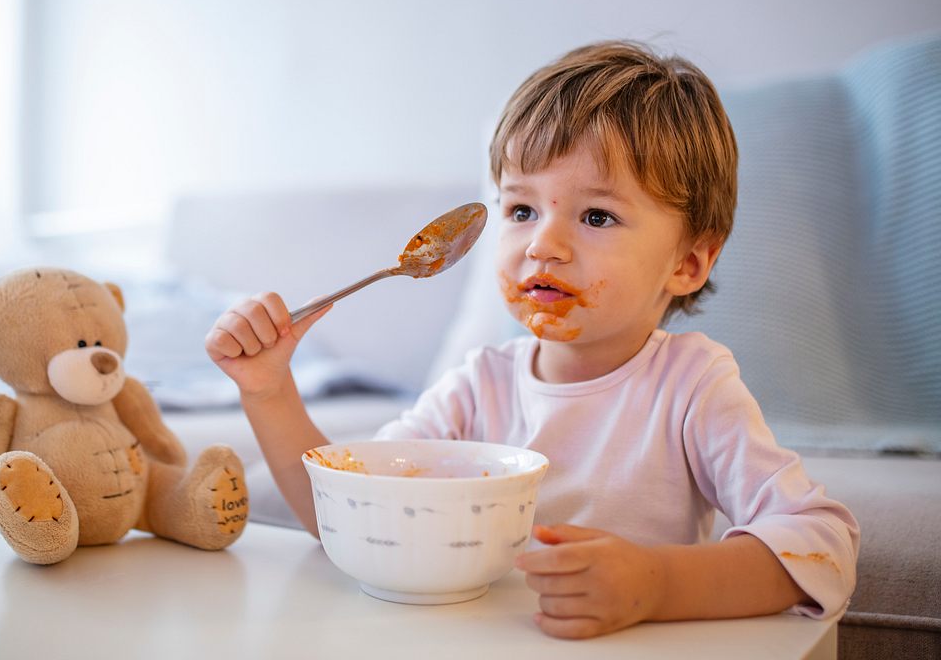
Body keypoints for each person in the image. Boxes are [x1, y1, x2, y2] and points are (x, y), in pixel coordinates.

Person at [205, 41, 859, 639]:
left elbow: (821, 541)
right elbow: (354, 515)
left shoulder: (691, 386)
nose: (543, 244)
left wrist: (656, 586)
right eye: (521, 209)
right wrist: (270, 392)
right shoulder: (478, 386)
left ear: (688, 263)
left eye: (597, 215)